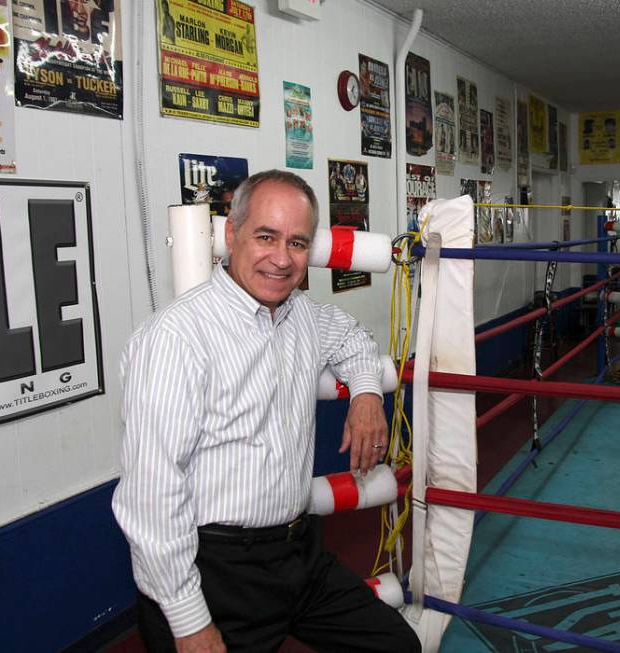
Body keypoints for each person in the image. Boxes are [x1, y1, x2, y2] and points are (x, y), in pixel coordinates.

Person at [113, 170, 421, 653]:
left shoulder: (301, 315)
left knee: (395, 646)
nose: (281, 259)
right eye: (265, 236)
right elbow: (150, 497)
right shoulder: (175, 339)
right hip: (215, 571)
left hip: (300, 554)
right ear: (231, 235)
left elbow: (354, 339)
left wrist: (365, 395)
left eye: (297, 243)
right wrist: (190, 621)